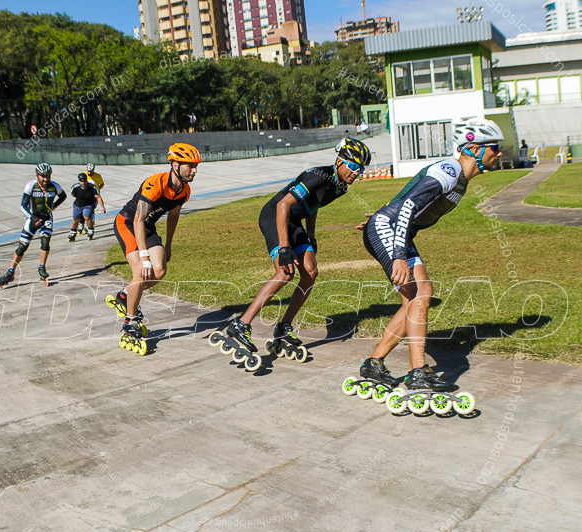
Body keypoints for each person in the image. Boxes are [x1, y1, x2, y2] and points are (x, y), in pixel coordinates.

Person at [356, 118, 504, 391]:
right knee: (420, 295)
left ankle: (374, 363)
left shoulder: (460, 180)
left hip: (392, 228)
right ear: (474, 149)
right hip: (392, 231)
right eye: (494, 147)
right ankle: (417, 372)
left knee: (418, 295)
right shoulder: (449, 170)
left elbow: (407, 197)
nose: (499, 152)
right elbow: (410, 204)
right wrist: (397, 251)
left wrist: (382, 214)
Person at [219, 138, 371, 363]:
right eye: (353, 166)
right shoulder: (318, 176)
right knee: (284, 273)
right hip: (274, 216)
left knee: (310, 272)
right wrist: (284, 248)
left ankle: (283, 326)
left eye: (361, 169)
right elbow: (283, 205)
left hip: (294, 222)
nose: (356, 172)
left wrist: (310, 234)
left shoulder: (341, 187)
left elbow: (313, 206)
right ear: (339, 161)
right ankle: (240, 324)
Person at [108, 142, 200, 352]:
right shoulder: (155, 183)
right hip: (128, 223)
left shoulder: (184, 191)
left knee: (160, 271)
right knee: (141, 273)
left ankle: (125, 295)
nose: (194, 170)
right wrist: (144, 257)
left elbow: (173, 217)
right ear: (175, 164)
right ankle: (130, 323)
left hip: (146, 227)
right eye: (190, 165)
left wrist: (168, 245)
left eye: (196, 166)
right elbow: (138, 220)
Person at [0, 163, 67, 289]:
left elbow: (63, 196)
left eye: (48, 176)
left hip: (46, 218)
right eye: (43, 176)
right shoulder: (31, 186)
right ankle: (11, 272)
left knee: (45, 242)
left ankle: (42, 268)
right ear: (37, 175)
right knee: (22, 247)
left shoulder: (54, 186)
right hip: (32, 218)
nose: (46, 179)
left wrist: (52, 208)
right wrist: (33, 218)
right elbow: (23, 206)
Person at [67, 173, 106, 241]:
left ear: (86, 180)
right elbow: (73, 193)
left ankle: (90, 230)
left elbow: (98, 197)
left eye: (84, 181)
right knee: (76, 219)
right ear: (79, 181)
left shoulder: (92, 187)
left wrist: (102, 207)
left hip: (88, 205)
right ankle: (73, 232)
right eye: (81, 181)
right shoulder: (75, 187)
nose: (83, 183)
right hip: (78, 205)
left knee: (87, 217)